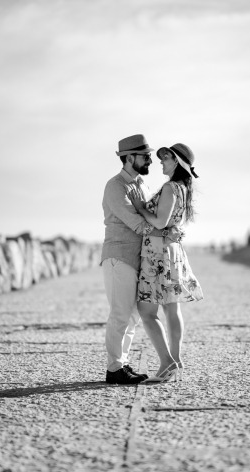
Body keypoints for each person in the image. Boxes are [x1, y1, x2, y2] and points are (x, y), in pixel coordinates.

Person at [101, 134, 183, 385]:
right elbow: (138, 223)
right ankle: (114, 368)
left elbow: (154, 216)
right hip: (119, 257)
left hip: (139, 259)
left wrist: (173, 228)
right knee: (120, 313)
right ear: (129, 158)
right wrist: (167, 232)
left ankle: (121, 365)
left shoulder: (142, 185)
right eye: (145, 156)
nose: (150, 159)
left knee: (134, 315)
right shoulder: (116, 186)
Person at [131, 143, 203, 383]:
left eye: (165, 159)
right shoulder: (182, 188)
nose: (161, 162)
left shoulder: (170, 187)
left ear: (176, 162)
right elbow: (172, 225)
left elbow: (161, 222)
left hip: (158, 254)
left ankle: (166, 362)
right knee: (172, 308)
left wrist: (141, 208)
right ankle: (175, 358)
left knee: (146, 310)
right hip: (171, 251)